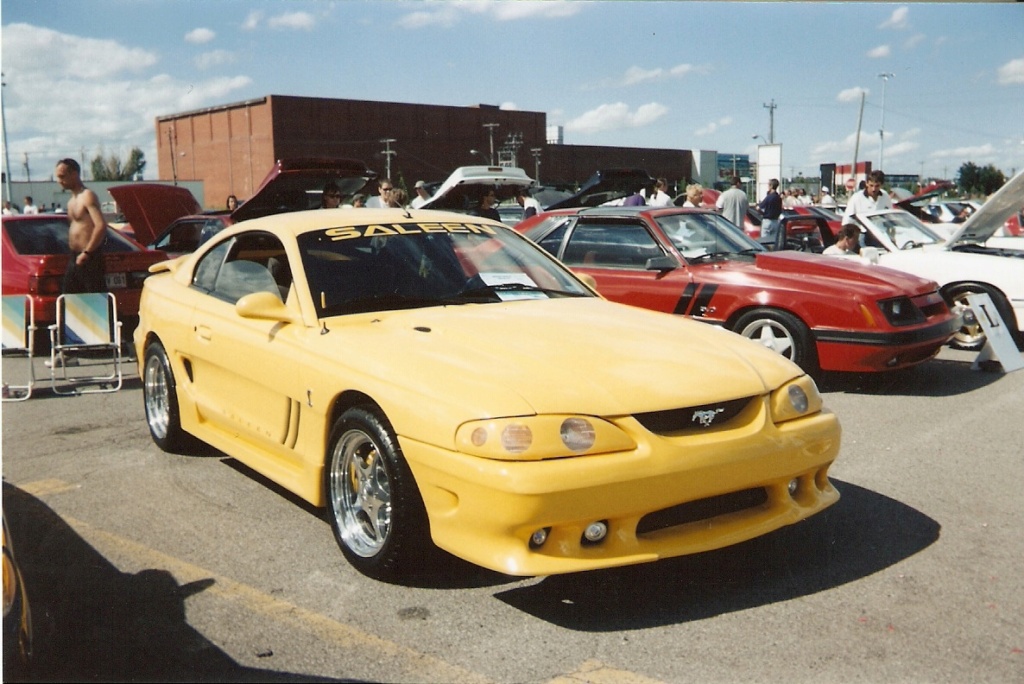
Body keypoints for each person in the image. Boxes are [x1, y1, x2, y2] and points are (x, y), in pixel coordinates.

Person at [55, 158, 107, 294]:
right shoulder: (71, 201)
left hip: (89, 257)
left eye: (62, 176)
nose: (59, 180)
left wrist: (87, 252)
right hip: (74, 256)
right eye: (58, 177)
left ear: (74, 174)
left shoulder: (87, 196)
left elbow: (100, 225)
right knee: (70, 299)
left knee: (94, 301)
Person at [756, 178, 784, 250]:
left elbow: (758, 208)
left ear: (771, 186)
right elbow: (781, 209)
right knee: (774, 242)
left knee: (764, 243)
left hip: (767, 221)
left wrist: (762, 213)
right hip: (775, 221)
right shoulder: (778, 198)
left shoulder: (769, 197)